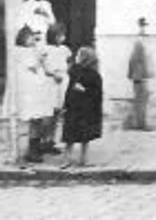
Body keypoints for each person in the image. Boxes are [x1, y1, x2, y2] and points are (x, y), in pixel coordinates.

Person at [12, 26, 54, 163]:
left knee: (38, 120)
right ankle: (29, 151)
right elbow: (33, 67)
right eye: (30, 37)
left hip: (37, 91)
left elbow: (43, 68)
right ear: (23, 39)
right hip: (29, 92)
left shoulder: (32, 50)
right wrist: (40, 58)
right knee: (32, 120)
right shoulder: (20, 52)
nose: (33, 40)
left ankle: (35, 147)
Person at [61, 47, 103, 168]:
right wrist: (66, 104)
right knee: (69, 136)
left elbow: (97, 93)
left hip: (86, 109)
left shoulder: (94, 75)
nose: (76, 58)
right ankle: (67, 159)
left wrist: (84, 89)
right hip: (74, 108)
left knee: (85, 136)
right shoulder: (74, 71)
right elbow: (69, 88)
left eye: (79, 55)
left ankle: (84, 159)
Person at [42, 23, 73, 155]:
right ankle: (44, 140)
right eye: (60, 35)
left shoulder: (64, 49)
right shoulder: (46, 49)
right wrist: (53, 74)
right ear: (54, 36)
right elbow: (43, 65)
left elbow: (70, 61)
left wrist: (66, 72)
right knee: (48, 112)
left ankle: (52, 141)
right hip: (51, 81)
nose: (63, 37)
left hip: (62, 80)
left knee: (58, 113)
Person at [126, 17, 153, 130]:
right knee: (141, 100)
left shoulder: (141, 41)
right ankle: (140, 123)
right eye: (142, 27)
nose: (144, 29)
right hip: (139, 76)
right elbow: (135, 60)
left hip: (141, 75)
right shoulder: (139, 42)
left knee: (141, 99)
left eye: (145, 27)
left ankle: (135, 122)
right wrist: (137, 76)